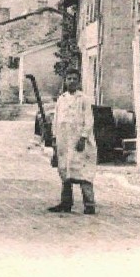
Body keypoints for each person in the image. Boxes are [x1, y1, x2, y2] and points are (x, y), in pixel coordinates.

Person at [47, 69, 97, 215]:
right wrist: (55, 139)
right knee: (65, 170)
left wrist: (83, 137)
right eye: (69, 78)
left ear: (79, 81)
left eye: (75, 78)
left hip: (79, 141)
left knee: (83, 171)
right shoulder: (61, 99)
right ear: (65, 81)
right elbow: (56, 121)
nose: (72, 81)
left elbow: (89, 120)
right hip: (64, 141)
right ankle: (66, 203)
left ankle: (89, 204)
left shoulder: (84, 99)